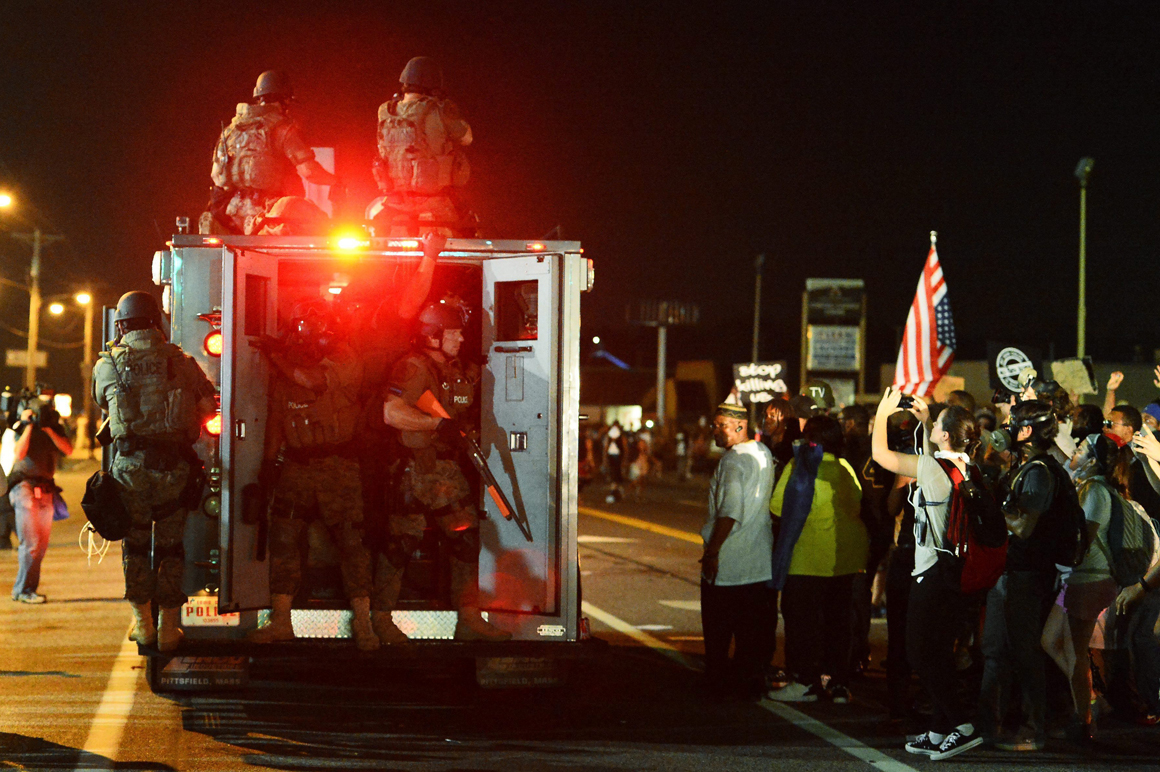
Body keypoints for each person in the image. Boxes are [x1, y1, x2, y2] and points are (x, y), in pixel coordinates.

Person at [246, 303, 379, 651]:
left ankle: (364, 623)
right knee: (284, 540)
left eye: (317, 327)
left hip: (338, 466)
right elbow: (277, 419)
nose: (310, 334)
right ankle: (280, 620)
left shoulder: (344, 358)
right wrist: (269, 465)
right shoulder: (286, 367)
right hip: (298, 467)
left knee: (351, 543)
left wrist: (277, 355)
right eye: (305, 327)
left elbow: (311, 380)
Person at [378, 298, 511, 642]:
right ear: (432, 335)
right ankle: (380, 619)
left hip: (446, 471)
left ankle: (468, 619)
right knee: (400, 545)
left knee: (466, 541)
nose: (461, 338)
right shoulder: (412, 367)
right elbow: (391, 413)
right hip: (412, 469)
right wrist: (436, 424)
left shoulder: (457, 370)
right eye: (453, 332)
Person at [92, 292, 216, 649]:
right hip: (174, 468)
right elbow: (208, 407)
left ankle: (143, 624)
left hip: (130, 470)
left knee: (134, 545)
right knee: (170, 547)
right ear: (156, 323)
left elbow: (102, 402)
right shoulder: (183, 362)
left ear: (121, 325)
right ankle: (168, 630)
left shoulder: (108, 364)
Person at [871, 388, 984, 760]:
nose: (932, 425)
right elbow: (931, 457)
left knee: (919, 653)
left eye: (937, 424)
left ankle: (962, 725)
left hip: (932, 574)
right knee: (938, 652)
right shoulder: (965, 464)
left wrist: (883, 414)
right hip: (953, 572)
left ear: (946, 435)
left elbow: (881, 456)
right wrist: (925, 422)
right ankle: (938, 730)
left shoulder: (933, 468)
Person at [977, 400, 1071, 751]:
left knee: (1023, 652)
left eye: (1011, 422)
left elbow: (1024, 526)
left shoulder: (1038, 473)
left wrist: (989, 504)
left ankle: (1033, 729)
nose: (1005, 427)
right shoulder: (1026, 467)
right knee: (995, 650)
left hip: (1025, 574)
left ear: (1026, 430)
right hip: (1012, 572)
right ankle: (989, 727)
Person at [768, 414, 867, 704]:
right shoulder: (845, 467)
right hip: (844, 559)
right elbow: (856, 504)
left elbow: (777, 507)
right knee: (838, 624)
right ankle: (838, 683)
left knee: (802, 624)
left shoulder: (799, 465)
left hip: (807, 559)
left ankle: (804, 682)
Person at [1041, 434, 1121, 742]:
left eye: (1082, 449)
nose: (1075, 451)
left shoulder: (1096, 492)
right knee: (1050, 640)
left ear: (1093, 461)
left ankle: (1085, 723)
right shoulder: (1087, 486)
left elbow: (1082, 541)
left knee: (1076, 654)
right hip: (1077, 579)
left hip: (1089, 579)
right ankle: (1093, 700)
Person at [201, 70, 340, 235]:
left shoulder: (231, 131)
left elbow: (218, 178)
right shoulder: (282, 129)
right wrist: (336, 181)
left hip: (229, 213)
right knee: (319, 222)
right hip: (269, 213)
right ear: (285, 99)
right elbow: (310, 172)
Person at [698, 403, 776, 701]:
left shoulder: (732, 462)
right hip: (757, 562)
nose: (714, 431)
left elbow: (730, 512)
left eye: (721, 425)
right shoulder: (763, 452)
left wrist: (712, 552)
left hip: (728, 565)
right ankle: (750, 685)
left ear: (740, 427)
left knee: (718, 634)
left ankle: (717, 688)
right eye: (714, 425)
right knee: (751, 634)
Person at [369, 57, 475, 237]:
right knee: (469, 232)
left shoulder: (385, 111)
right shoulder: (440, 109)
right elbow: (467, 138)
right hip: (436, 200)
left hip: (395, 201)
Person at [7, 399, 72, 603]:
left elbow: (68, 449)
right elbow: (19, 453)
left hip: (45, 488)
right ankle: (24, 590)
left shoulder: (55, 428)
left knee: (41, 544)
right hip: (23, 486)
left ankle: (24, 589)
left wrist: (48, 429)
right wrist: (28, 425)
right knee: (31, 543)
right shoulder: (23, 427)